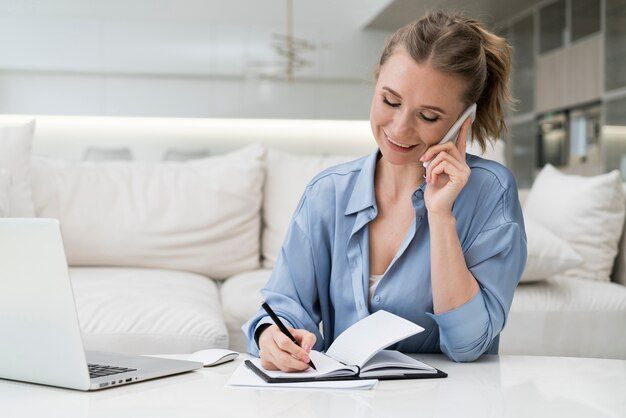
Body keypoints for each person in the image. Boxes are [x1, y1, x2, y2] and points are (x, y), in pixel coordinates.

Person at [243, 10, 527, 371]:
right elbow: (283, 305)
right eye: (390, 101)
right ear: (376, 83)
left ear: (462, 120)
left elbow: (469, 345)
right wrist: (272, 335)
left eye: (428, 116)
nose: (399, 128)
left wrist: (441, 217)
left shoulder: (491, 192)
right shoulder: (327, 193)